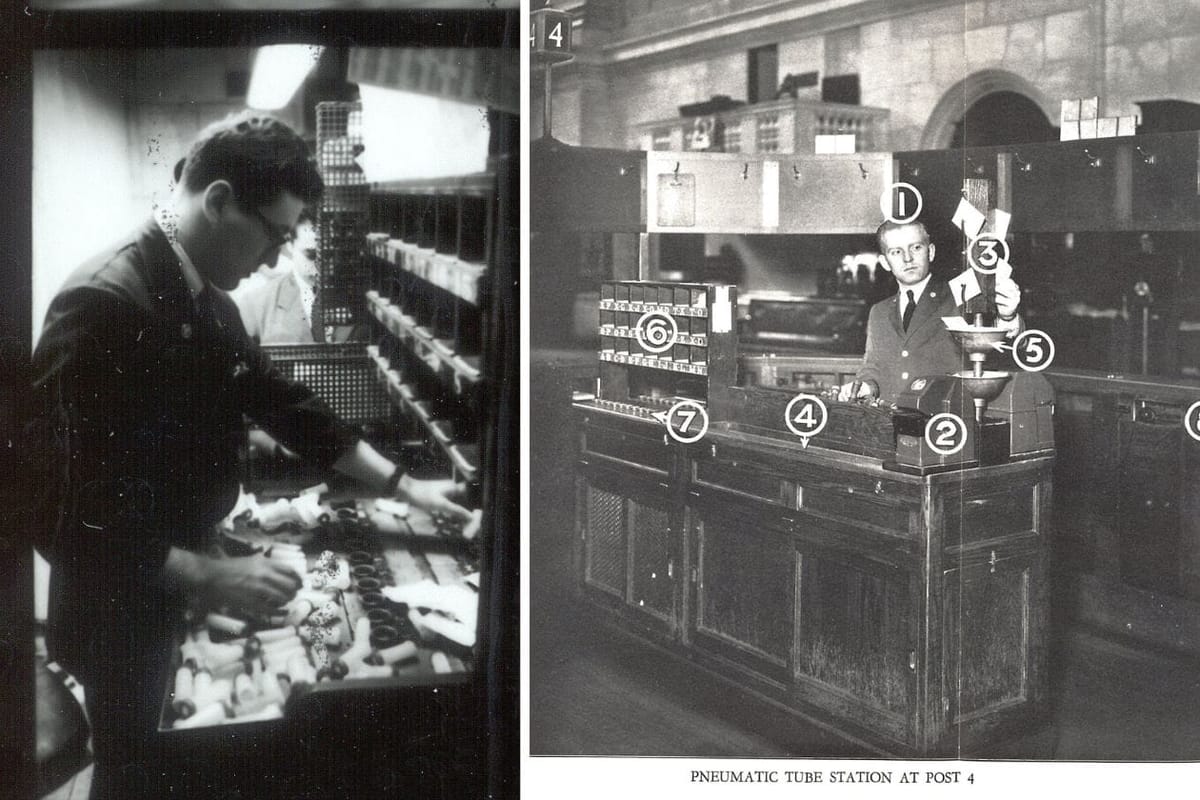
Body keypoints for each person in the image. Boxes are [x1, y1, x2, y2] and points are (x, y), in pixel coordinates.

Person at [32, 112, 472, 799]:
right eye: (276, 232)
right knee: (134, 768)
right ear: (219, 201)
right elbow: (58, 509)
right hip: (119, 610)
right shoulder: (105, 304)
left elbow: (283, 403)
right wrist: (200, 575)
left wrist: (406, 488)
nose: (276, 255)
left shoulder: (201, 295)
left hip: (173, 566)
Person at [838, 219, 1023, 404]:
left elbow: (999, 351)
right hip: (890, 423)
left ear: (931, 252)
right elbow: (873, 367)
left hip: (944, 422)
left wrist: (1008, 316)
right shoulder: (878, 311)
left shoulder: (962, 295)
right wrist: (866, 386)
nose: (907, 258)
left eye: (916, 248)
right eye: (896, 252)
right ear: (885, 262)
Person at [230, 210, 322, 344]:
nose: (321, 266)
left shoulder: (360, 301)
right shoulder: (255, 305)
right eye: (311, 255)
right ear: (290, 244)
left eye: (329, 255)